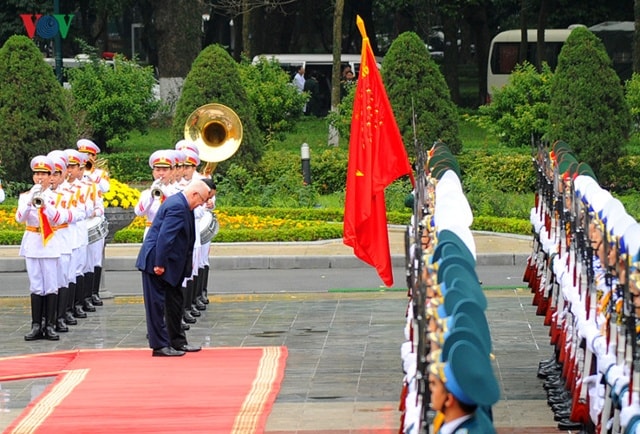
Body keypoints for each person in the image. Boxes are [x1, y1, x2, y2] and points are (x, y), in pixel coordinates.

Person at [136, 179, 212, 357]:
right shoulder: (178, 206)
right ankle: (160, 345)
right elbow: (165, 237)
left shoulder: (182, 203)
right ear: (194, 194)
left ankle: (177, 341)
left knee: (174, 300)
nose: (201, 204)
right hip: (157, 261)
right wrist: (160, 264)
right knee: (156, 304)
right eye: (200, 200)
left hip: (171, 263)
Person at [15, 156, 71, 341]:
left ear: (50, 176)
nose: (40, 177)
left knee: (51, 285)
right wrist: (31, 201)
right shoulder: (25, 197)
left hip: (50, 244)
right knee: (36, 284)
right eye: (37, 173)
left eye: (44, 174)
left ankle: (50, 324)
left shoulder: (56, 197)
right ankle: (36, 325)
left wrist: (45, 205)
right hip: (32, 242)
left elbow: (59, 219)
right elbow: (19, 218)